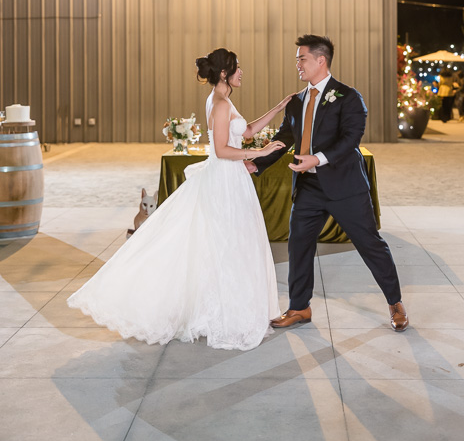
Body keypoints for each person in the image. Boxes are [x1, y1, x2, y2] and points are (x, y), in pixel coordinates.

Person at [68, 48, 291, 350]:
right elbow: (223, 150)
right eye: (237, 68)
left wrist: (277, 109)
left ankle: (221, 309)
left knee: (225, 244)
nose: (242, 73)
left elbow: (248, 131)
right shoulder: (222, 103)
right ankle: (224, 315)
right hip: (226, 179)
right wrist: (261, 153)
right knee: (229, 244)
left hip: (230, 178)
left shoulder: (219, 99)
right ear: (224, 73)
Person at [246, 34, 408, 333]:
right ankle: (299, 307)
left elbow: (350, 140)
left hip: (345, 188)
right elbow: (285, 138)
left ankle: (395, 302)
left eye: (302, 58)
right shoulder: (296, 101)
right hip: (308, 187)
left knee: (371, 245)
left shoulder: (348, 97)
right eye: (297, 59)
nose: (297, 64)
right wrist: (257, 162)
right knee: (299, 245)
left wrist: (316, 159)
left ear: (321, 60)